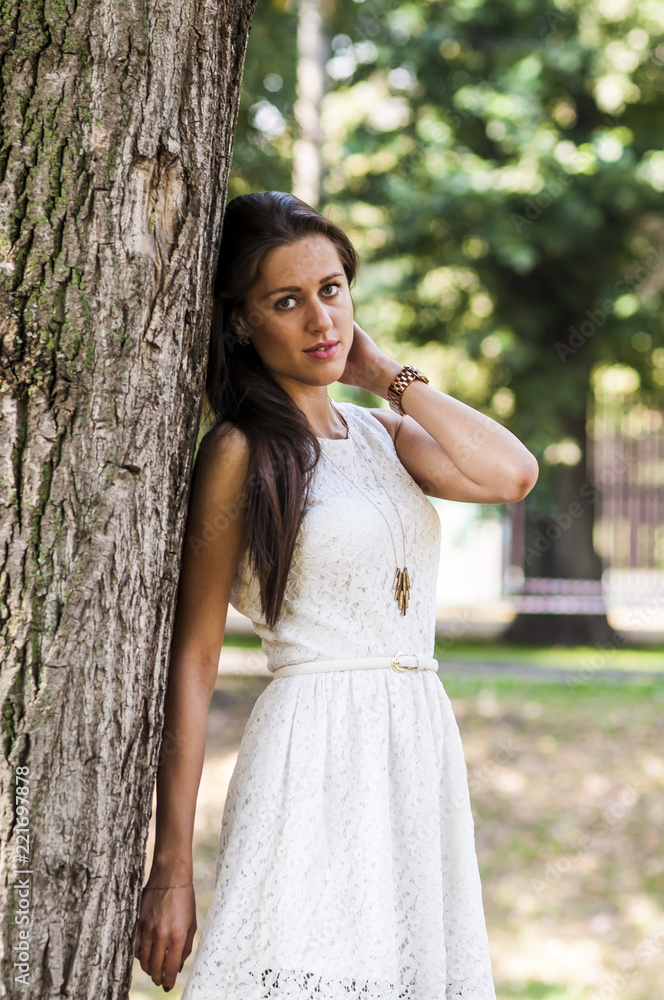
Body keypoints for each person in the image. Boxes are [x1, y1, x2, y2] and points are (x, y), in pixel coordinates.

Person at [133, 191, 538, 998]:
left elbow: (513, 473)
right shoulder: (240, 451)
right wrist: (171, 866)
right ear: (242, 320)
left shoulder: (383, 434)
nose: (322, 320)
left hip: (415, 745)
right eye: (287, 301)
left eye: (332, 290)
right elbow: (196, 661)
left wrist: (387, 376)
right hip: (313, 751)